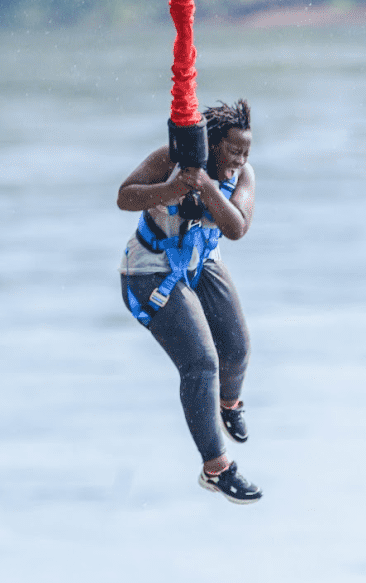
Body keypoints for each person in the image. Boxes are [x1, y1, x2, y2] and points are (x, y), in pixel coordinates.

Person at [116, 99, 262, 504]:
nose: (241, 159)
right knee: (201, 363)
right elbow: (124, 197)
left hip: (201, 261)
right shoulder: (170, 159)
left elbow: (236, 227)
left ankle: (227, 404)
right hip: (149, 271)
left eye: (247, 151)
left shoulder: (242, 176)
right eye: (234, 151)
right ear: (213, 145)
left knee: (237, 349)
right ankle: (217, 469)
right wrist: (171, 189)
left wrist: (206, 187)